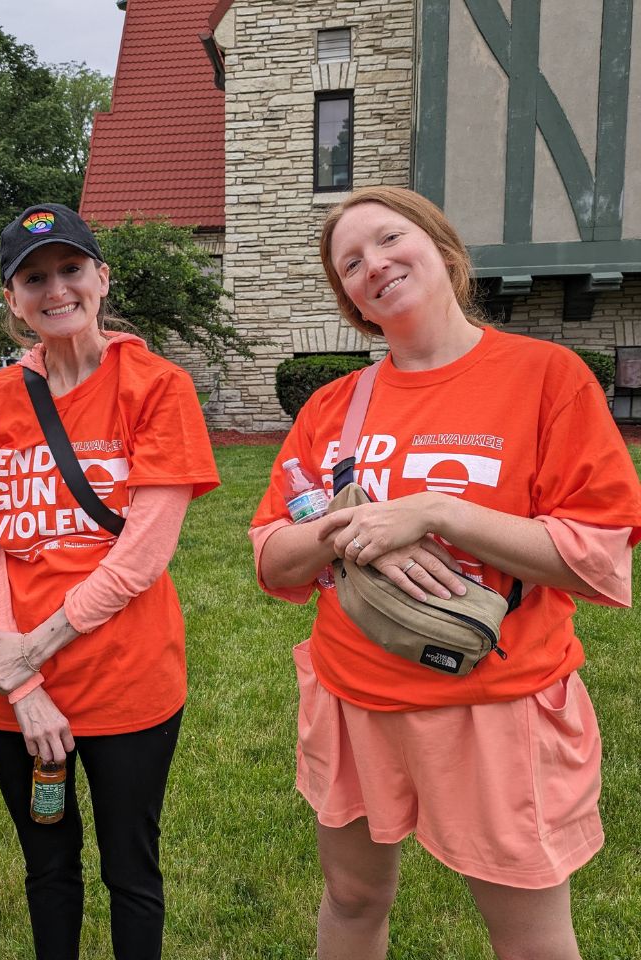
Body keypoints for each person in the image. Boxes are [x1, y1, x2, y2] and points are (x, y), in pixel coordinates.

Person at [250, 186, 641, 960]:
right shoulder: (334, 406)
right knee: (353, 900)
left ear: (442, 246)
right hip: (352, 695)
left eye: (391, 240)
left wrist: (438, 512)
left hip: (496, 703)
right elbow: (271, 555)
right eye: (350, 263)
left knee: (528, 937)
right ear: (349, 298)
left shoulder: (545, 377)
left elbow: (599, 553)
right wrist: (347, 529)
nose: (374, 266)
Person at [0, 203, 219, 960]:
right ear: (12, 300)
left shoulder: (156, 385)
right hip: (11, 687)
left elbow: (143, 554)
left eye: (70, 270)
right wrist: (21, 683)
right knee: (47, 866)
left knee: (129, 868)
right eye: (33, 278)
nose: (55, 290)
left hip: (124, 680)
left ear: (101, 279)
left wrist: (35, 648)